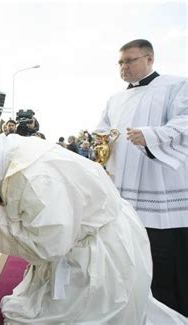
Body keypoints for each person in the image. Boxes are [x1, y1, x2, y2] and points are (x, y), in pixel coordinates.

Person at [0, 137, 186, 324]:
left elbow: (48, 246)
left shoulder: (33, 177)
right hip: (92, 228)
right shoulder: (7, 152)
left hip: (100, 249)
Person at [97, 39, 188, 316]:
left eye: (130, 60)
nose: (124, 67)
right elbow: (103, 130)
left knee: (165, 261)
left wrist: (150, 136)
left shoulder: (176, 85)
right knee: (130, 257)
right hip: (124, 190)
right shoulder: (115, 99)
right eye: (121, 62)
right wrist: (99, 143)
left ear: (149, 59)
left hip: (159, 190)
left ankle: (173, 314)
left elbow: (184, 122)